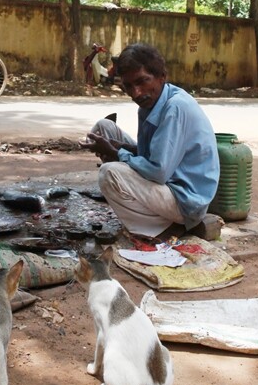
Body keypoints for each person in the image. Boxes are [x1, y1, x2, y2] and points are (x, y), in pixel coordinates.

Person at [82, 43, 220, 241]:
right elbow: (151, 153)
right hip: (167, 182)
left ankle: (160, 229)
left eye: (143, 81)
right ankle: (148, 214)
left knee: (109, 173)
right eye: (129, 86)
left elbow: (158, 171)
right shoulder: (150, 104)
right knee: (104, 127)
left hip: (185, 200)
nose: (136, 93)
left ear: (161, 76)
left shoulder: (175, 108)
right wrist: (120, 146)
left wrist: (116, 153)